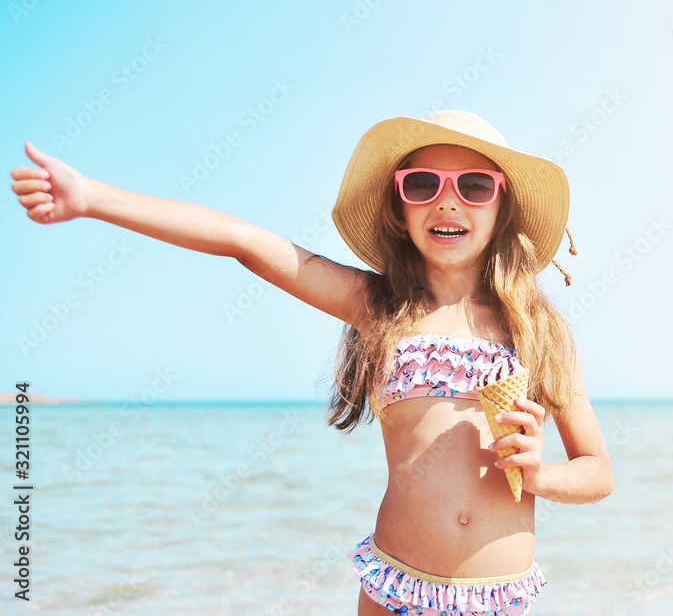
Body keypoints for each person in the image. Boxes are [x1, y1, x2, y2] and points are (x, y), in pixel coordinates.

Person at [10, 110, 614, 615]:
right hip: (395, 586)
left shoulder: (537, 331)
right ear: (398, 205)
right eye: (423, 184)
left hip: (498, 596)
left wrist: (543, 476)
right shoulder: (381, 309)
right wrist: (91, 198)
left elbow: (597, 470)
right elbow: (246, 242)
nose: (447, 202)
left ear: (500, 206)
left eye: (474, 187)